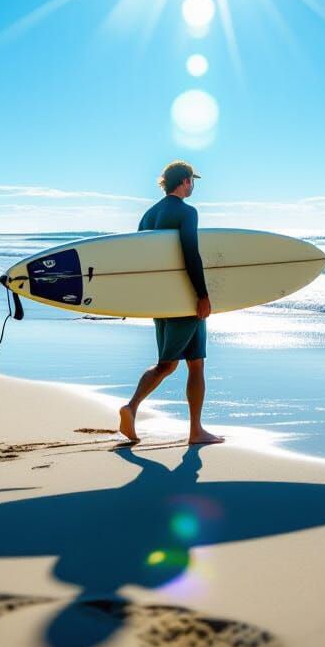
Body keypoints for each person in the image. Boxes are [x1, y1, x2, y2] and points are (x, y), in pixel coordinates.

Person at [118, 160, 223, 446]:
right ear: (186, 180)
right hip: (184, 300)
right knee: (168, 365)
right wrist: (202, 295)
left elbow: (144, 263)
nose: (194, 186)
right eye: (193, 180)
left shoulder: (148, 216)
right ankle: (133, 407)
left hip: (161, 302)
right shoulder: (187, 212)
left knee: (194, 363)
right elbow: (191, 253)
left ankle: (195, 430)